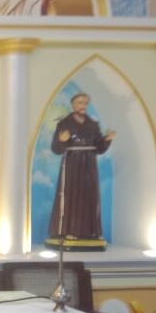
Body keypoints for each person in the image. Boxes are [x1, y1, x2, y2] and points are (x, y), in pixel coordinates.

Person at [47, 93, 114, 250]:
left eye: (85, 103)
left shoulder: (93, 125)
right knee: (71, 195)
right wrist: (61, 140)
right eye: (79, 102)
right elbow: (56, 149)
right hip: (72, 163)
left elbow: (99, 148)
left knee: (90, 196)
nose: (82, 105)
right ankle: (68, 230)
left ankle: (90, 232)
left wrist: (107, 140)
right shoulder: (64, 123)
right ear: (73, 105)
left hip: (89, 163)